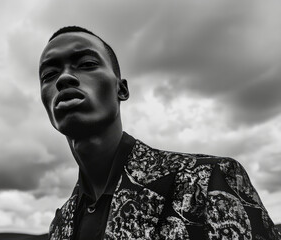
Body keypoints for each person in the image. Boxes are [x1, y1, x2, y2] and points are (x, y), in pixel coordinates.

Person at [38, 26, 280, 240]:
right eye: (49, 75)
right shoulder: (60, 226)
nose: (64, 78)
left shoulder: (207, 181)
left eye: (87, 64)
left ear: (121, 89)